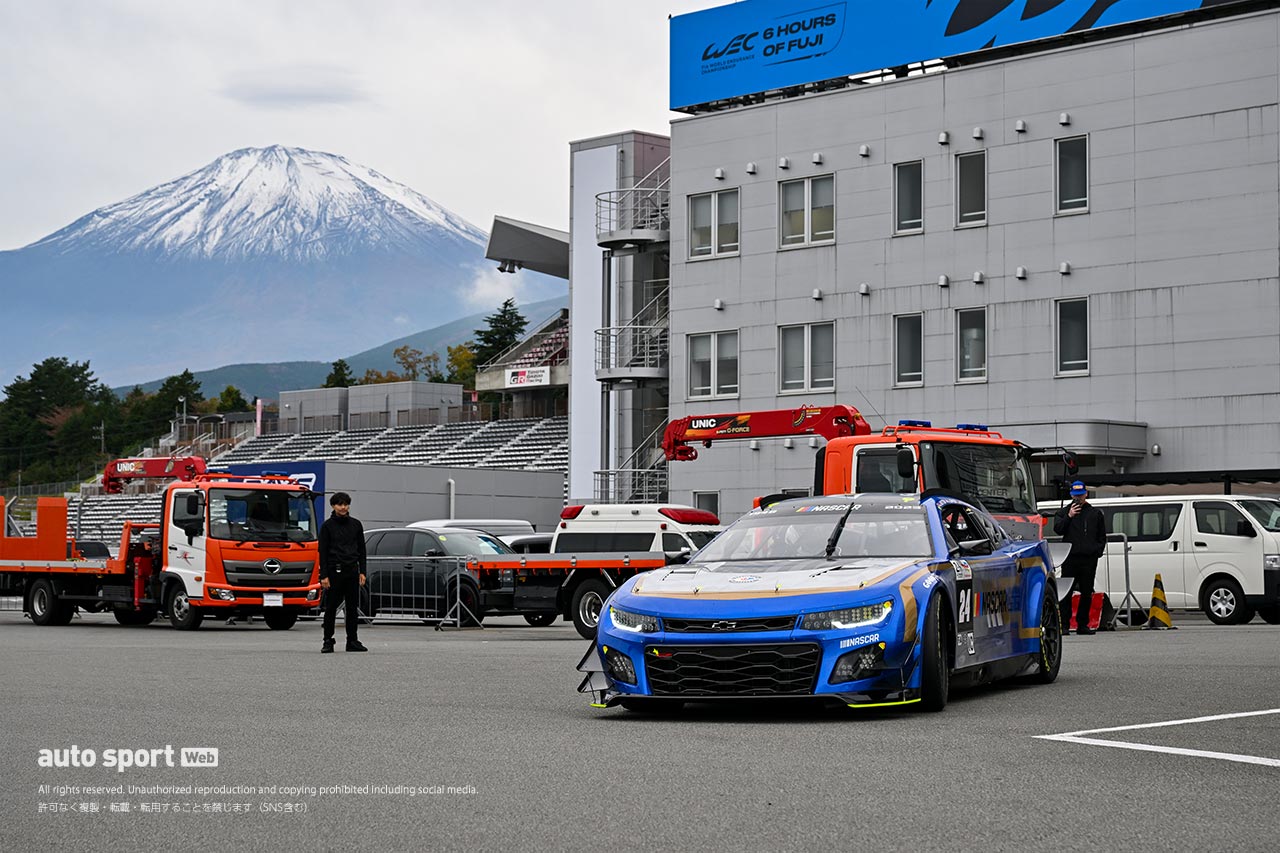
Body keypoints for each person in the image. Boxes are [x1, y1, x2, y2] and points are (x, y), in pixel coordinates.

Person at [1054, 481, 1107, 635]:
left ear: (1086, 494)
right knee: (1067, 592)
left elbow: (1101, 536)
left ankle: (1082, 625)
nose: (1079, 499)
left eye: (1081, 495)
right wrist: (1069, 516)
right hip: (1070, 558)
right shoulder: (1063, 512)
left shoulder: (1095, 513)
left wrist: (1097, 551)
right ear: (1071, 495)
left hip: (1089, 559)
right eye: (1076, 496)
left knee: (1086, 592)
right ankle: (1064, 624)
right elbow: (1058, 529)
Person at [318, 492, 368, 653]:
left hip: (352, 570)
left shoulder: (356, 525)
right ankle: (328, 640)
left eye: (346, 504)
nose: (343, 507)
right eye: (340, 504)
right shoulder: (327, 526)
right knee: (331, 607)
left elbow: (362, 549)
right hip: (334, 571)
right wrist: (324, 575)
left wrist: (363, 571)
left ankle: (352, 640)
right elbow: (323, 552)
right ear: (333, 506)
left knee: (352, 608)